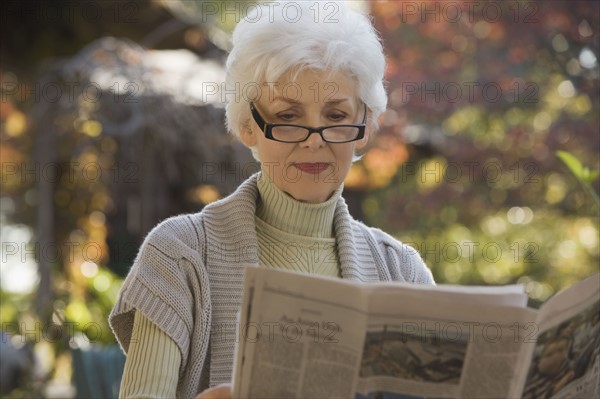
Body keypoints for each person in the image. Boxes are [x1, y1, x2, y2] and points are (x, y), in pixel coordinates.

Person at [109, 1, 435, 397]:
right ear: (249, 126)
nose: (315, 141)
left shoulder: (402, 270)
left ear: (364, 126)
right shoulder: (178, 254)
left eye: (335, 116)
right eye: (288, 117)